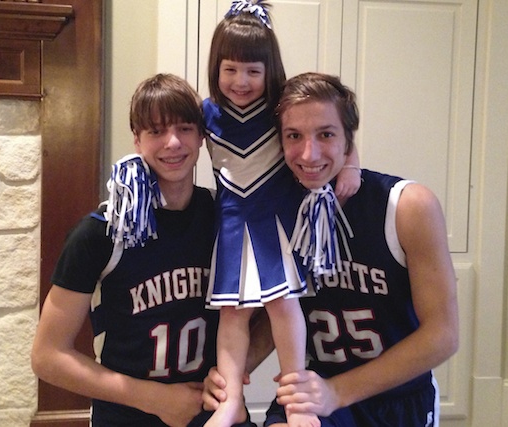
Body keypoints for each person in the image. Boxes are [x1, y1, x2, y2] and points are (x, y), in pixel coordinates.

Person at [31, 73, 258, 427]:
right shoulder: (101, 232)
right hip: (128, 414)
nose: (172, 143)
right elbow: (47, 356)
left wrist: (234, 373)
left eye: (184, 128)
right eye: (156, 131)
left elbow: (275, 314)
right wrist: (153, 398)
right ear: (137, 140)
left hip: (211, 410)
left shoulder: (225, 220)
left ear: (201, 136)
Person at [262, 72, 459, 426]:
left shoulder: (407, 206)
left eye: (326, 134)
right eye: (294, 136)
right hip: (321, 390)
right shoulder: (276, 212)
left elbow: (442, 336)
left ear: (348, 139)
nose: (309, 153)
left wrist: (338, 391)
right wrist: (229, 378)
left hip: (396, 398)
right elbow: (274, 313)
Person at [202, 2, 361, 427]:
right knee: (231, 314)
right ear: (215, 67)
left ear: (269, 70)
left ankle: (295, 397)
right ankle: (231, 400)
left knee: (283, 306)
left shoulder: (282, 106)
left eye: (253, 71)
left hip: (277, 225)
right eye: (231, 69)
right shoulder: (206, 112)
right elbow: (167, 136)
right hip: (233, 224)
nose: (241, 81)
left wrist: (351, 164)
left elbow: (338, 120)